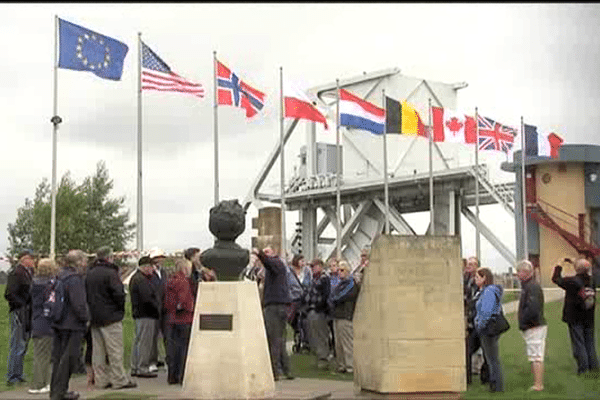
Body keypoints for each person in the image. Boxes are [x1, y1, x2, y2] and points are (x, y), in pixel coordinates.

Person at [86, 246, 136, 390]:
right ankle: (119, 379)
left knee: (98, 351)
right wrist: (119, 308)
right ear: (109, 257)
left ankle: (101, 380)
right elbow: (119, 294)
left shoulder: (90, 272)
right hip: (111, 316)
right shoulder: (111, 273)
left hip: (94, 316)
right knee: (115, 351)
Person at [50, 250, 90, 400]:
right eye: (85, 261)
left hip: (59, 321)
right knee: (68, 359)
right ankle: (60, 392)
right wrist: (86, 318)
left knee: (58, 358)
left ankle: (55, 390)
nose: (86, 264)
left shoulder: (60, 276)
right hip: (72, 324)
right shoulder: (75, 279)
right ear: (79, 262)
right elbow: (78, 303)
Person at [552, 257, 599, 375]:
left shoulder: (572, 281)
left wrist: (559, 265)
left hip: (575, 317)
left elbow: (556, 279)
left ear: (577, 269)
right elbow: (584, 269)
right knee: (590, 341)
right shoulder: (591, 280)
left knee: (579, 342)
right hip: (589, 316)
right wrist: (577, 264)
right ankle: (593, 366)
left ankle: (583, 369)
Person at [254, 246, 294, 381]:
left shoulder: (276, 263)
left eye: (267, 252)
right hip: (279, 306)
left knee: (274, 340)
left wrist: (259, 253)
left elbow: (268, 262)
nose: (265, 256)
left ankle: (274, 372)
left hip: (275, 306)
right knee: (280, 340)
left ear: (274, 253)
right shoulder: (273, 268)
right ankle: (287, 370)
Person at [27, 258, 59, 394]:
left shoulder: (34, 283)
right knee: (44, 356)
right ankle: (40, 384)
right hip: (46, 322)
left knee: (40, 355)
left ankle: (41, 382)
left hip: (37, 321)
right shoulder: (51, 285)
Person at [516, 259, 547, 391]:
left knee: (536, 356)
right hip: (531, 326)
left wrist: (524, 320)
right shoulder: (528, 286)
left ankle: (538, 385)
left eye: (518, 271)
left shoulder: (532, 287)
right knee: (533, 354)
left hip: (534, 326)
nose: (517, 274)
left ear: (525, 272)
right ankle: (536, 382)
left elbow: (533, 309)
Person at [4, 249, 35, 386]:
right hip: (19, 312)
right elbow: (9, 294)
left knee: (23, 344)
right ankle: (12, 375)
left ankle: (18, 373)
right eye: (31, 258)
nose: (34, 261)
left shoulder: (28, 273)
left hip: (26, 312)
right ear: (25, 259)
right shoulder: (17, 273)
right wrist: (21, 305)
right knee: (17, 344)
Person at [163, 258, 195, 385]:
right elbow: (185, 300)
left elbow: (167, 301)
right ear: (185, 268)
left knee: (173, 349)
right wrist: (190, 307)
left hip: (171, 319)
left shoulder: (170, 281)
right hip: (184, 318)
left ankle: (172, 375)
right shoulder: (184, 282)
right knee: (183, 348)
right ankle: (182, 375)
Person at [474, 267, 504, 392]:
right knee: (490, 357)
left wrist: (479, 325)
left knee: (492, 358)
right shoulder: (484, 291)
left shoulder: (489, 291)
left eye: (477, 277)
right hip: (486, 327)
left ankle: (497, 386)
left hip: (488, 328)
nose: (475, 279)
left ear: (484, 278)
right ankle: (494, 383)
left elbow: (486, 311)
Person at [129, 256, 160, 378]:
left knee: (138, 340)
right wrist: (157, 306)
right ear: (145, 267)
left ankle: (135, 366)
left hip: (140, 313)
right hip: (146, 313)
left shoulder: (138, 278)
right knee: (144, 342)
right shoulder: (141, 280)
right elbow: (147, 298)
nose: (152, 269)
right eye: (151, 266)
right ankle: (142, 367)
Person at [330, 260, 359, 374]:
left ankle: (350, 366)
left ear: (347, 271)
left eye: (342, 270)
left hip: (345, 315)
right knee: (338, 343)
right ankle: (341, 365)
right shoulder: (340, 283)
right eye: (338, 270)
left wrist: (334, 298)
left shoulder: (351, 283)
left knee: (347, 343)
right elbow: (332, 295)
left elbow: (340, 296)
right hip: (337, 315)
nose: (339, 273)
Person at [304, 258, 331, 370]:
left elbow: (326, 295)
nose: (312, 269)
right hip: (311, 309)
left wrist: (321, 306)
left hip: (320, 311)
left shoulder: (324, 279)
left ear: (320, 266)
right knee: (313, 335)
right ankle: (318, 357)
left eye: (314, 266)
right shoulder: (313, 279)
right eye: (311, 267)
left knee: (321, 335)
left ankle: (323, 359)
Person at [463, 256, 484, 385]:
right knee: (470, 347)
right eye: (468, 264)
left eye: (472, 264)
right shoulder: (466, 279)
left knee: (482, 347)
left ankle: (481, 371)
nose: (469, 266)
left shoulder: (479, 280)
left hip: (478, 318)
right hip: (470, 318)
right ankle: (471, 373)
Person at [148, 248, 167, 373]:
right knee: (152, 336)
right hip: (153, 308)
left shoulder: (163, 272)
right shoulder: (150, 273)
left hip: (164, 308)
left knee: (165, 335)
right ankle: (152, 361)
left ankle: (165, 359)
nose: (160, 260)